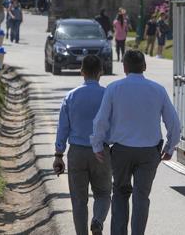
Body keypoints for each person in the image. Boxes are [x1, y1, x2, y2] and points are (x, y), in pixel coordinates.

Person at [90, 50, 181, 235]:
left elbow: (101, 121)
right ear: (144, 67)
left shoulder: (114, 88)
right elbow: (174, 123)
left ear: (124, 67)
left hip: (121, 151)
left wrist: (97, 145)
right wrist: (170, 147)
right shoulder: (158, 90)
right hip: (149, 153)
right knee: (141, 197)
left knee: (120, 194)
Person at [53, 55, 111, 235]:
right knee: (102, 193)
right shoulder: (107, 95)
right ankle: (98, 220)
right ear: (101, 71)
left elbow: (63, 127)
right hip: (101, 152)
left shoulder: (71, 96)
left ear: (82, 72)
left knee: (79, 200)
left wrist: (58, 155)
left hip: (77, 153)